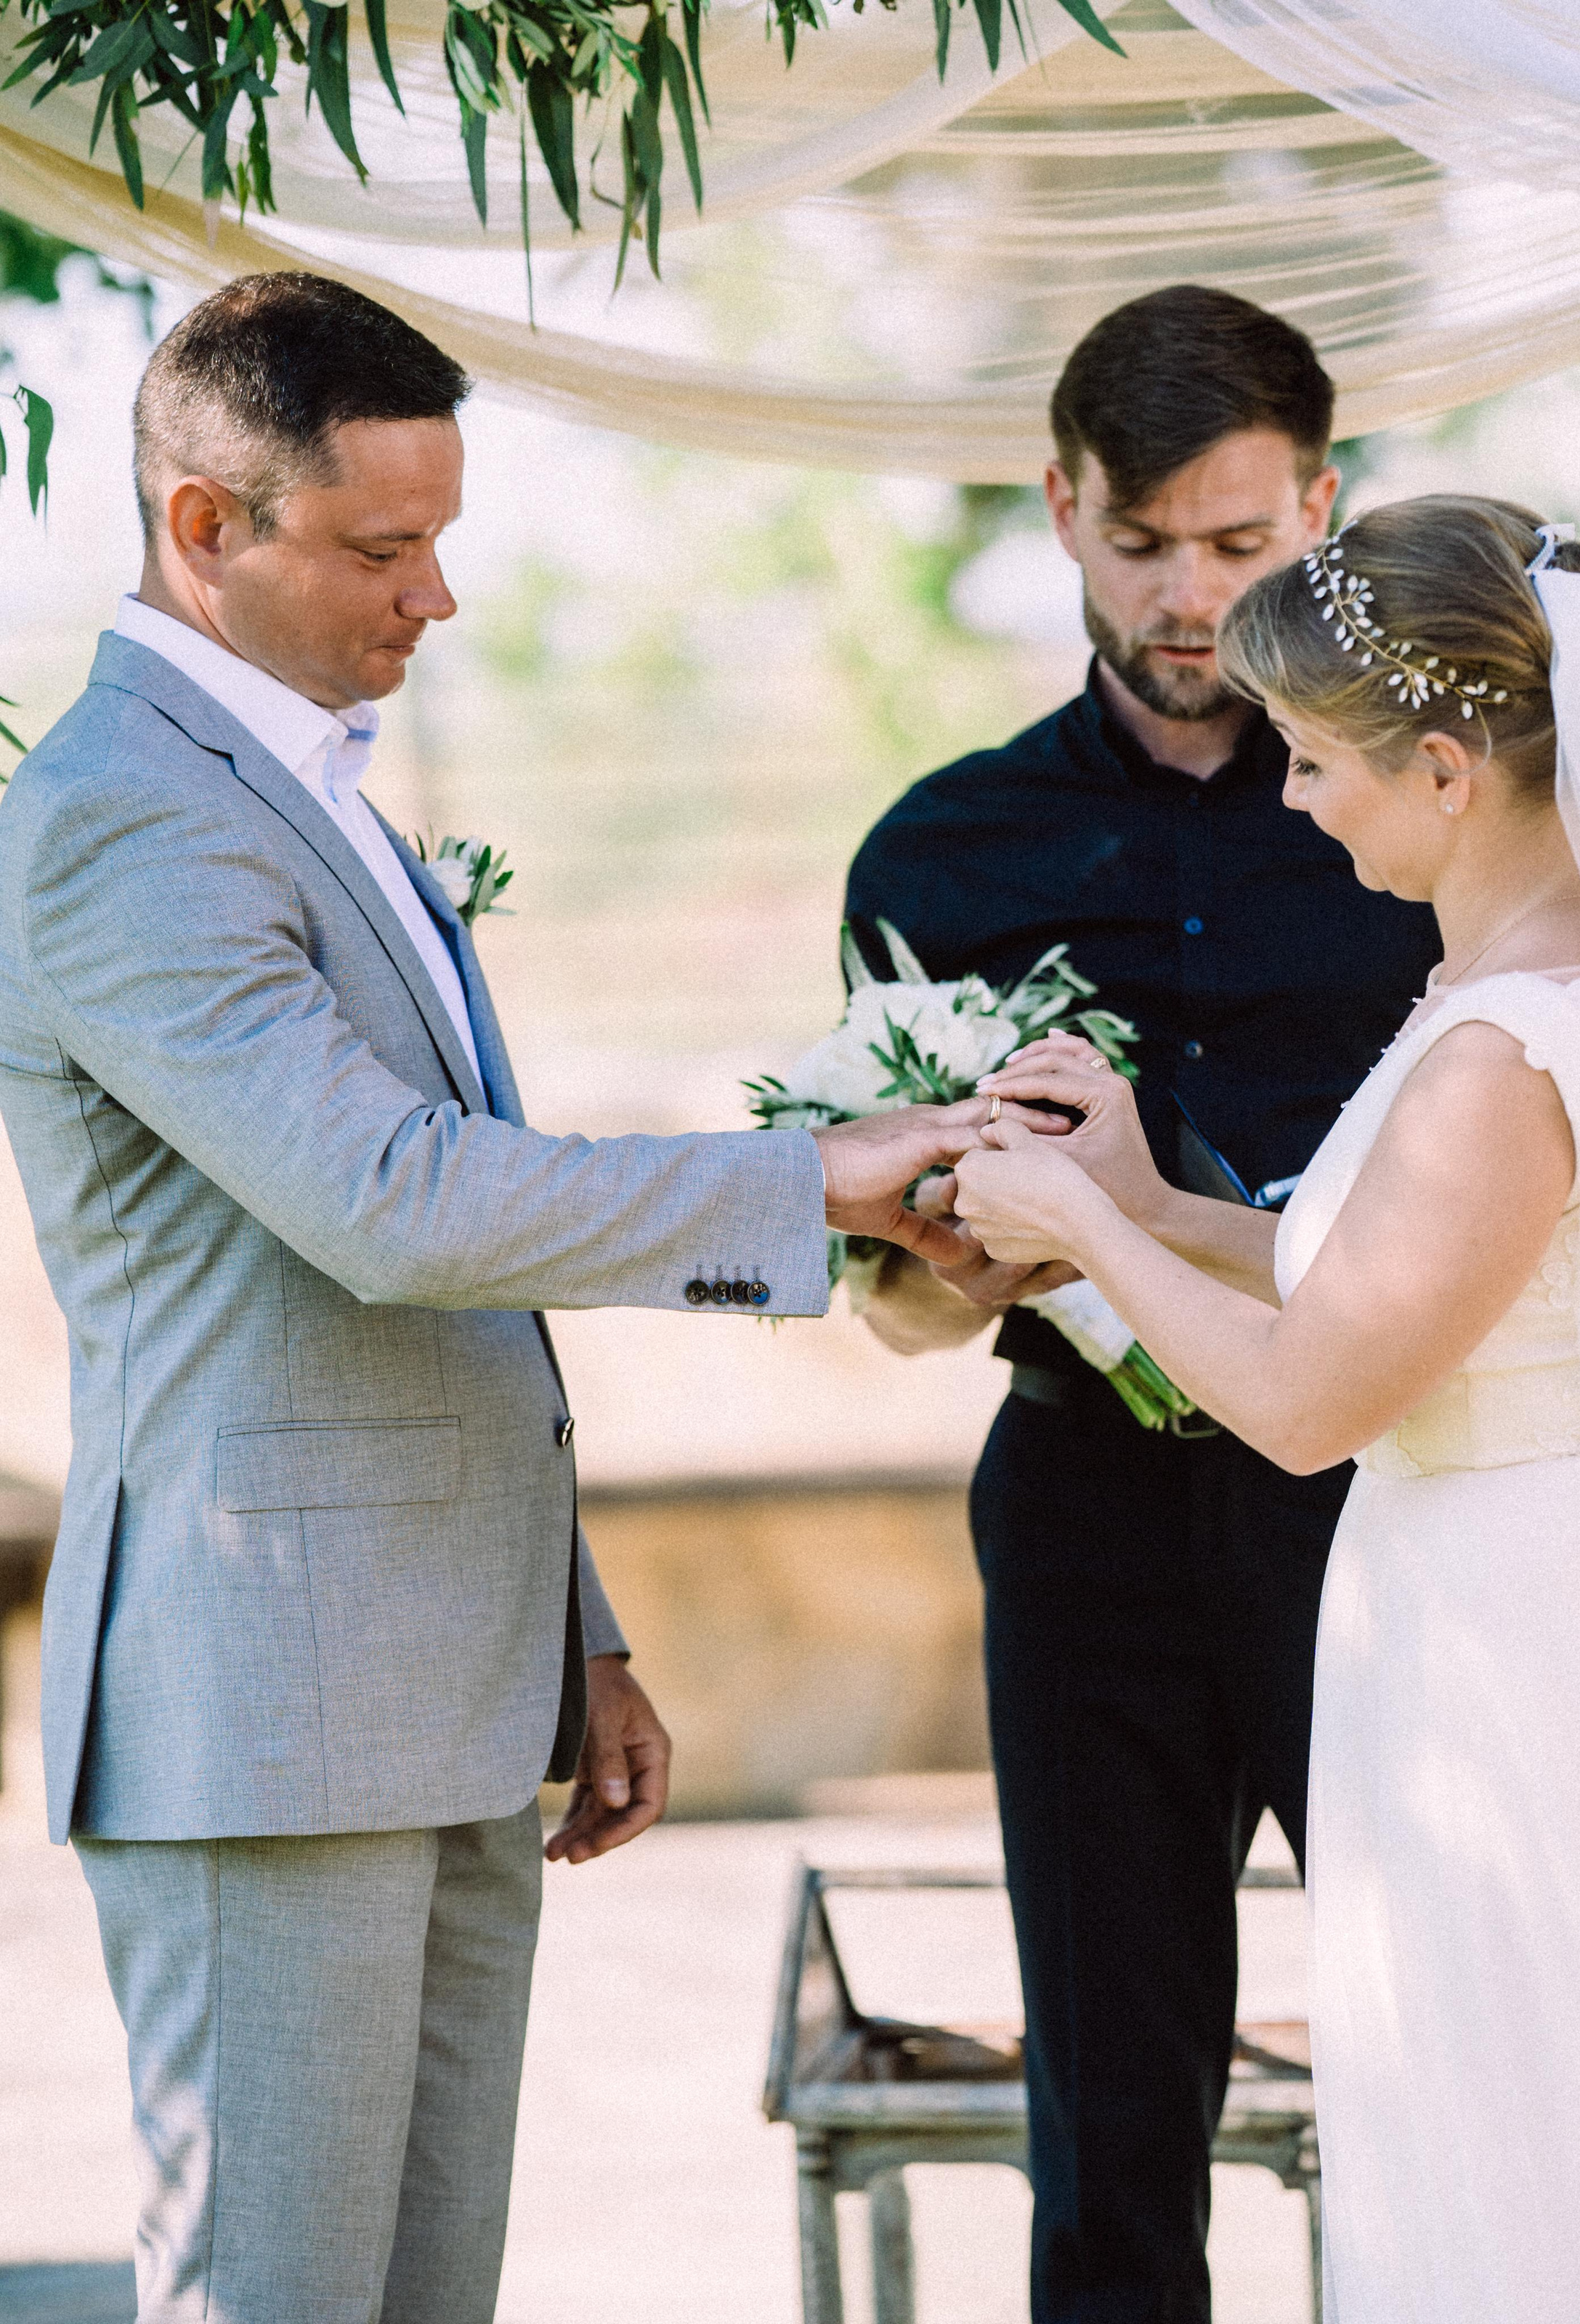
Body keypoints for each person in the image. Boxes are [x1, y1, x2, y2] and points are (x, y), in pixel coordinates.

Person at [0, 272, 997, 2324]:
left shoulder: (304, 790)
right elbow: (393, 1206)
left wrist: (581, 1641)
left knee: (429, 2298)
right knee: (282, 2297)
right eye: (385, 545)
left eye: (444, 537)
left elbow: (442, 1305)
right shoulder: (121, 819)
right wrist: (817, 1181)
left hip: (446, 1696)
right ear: (205, 525)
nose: (436, 597)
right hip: (263, 1718)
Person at [955, 495, 1580, 2319]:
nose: (1293, 801)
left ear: (1444, 770)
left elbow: (1301, 1402)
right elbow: (1401, 1278)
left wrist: (1066, 1229)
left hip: (1524, 1641)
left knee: (1545, 2119)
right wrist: (1143, 1199)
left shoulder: (1493, 1054)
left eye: (1311, 761)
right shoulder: (1571, 988)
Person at [845, 287, 1438, 2321]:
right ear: (1060, 506)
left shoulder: (1427, 825)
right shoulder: (940, 852)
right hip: (1085, 1519)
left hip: (1389, 1512)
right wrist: (926, 1267)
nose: (1189, 599)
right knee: (1110, 2123)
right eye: (1142, 543)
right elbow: (905, 1317)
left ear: (1326, 511)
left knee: (1446, 2062)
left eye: (1242, 546)